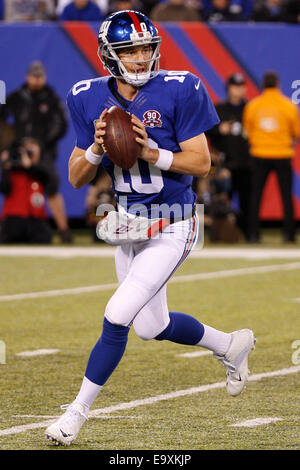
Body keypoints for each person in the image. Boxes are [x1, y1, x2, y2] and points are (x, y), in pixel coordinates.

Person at [44, 10, 256, 446]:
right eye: (130, 50)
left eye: (146, 48)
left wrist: (151, 151)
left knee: (117, 315)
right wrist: (100, 150)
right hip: (129, 226)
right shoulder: (86, 96)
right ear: (109, 56)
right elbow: (76, 176)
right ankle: (230, 344)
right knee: (149, 327)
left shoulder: (182, 87)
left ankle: (75, 413)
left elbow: (202, 162)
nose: (141, 58)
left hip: (174, 223)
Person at [0, 61, 72, 243]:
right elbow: (2, 121)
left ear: (45, 77)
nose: (37, 80)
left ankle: (64, 231)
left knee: (52, 187)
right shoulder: (17, 97)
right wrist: (8, 147)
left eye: (40, 76)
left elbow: (61, 125)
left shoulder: (51, 98)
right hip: (18, 149)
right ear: (28, 77)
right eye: (34, 76)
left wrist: (41, 144)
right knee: (9, 185)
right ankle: (8, 227)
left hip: (44, 152)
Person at [243, 71, 300, 243]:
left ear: (263, 85)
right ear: (278, 85)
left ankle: (253, 235)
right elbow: (296, 133)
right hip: (282, 154)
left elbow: (247, 132)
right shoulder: (288, 105)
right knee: (286, 196)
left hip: (259, 155)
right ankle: (289, 235)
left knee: (256, 196)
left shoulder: (253, 105)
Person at [206, 73, 252, 241]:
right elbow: (206, 130)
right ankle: (221, 234)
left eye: (241, 86)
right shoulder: (219, 109)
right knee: (223, 200)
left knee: (249, 201)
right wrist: (220, 129)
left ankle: (250, 234)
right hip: (225, 164)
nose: (238, 90)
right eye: (235, 86)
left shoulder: (250, 108)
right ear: (229, 88)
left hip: (247, 163)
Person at [0, 138, 52, 243]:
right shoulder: (11, 171)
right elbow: (5, 189)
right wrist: (5, 167)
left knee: (43, 238)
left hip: (35, 220)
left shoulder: (40, 170)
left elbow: (46, 177)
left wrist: (28, 165)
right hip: (13, 219)